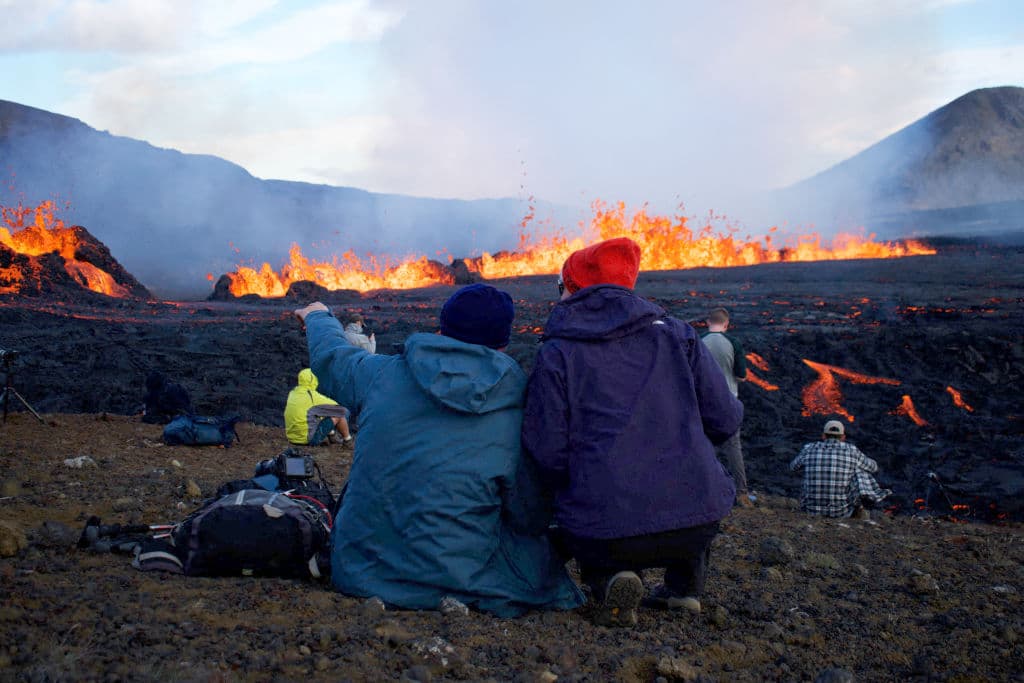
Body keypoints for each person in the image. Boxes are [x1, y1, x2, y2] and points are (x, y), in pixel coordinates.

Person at [293, 284, 584, 617]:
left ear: (441, 329)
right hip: (460, 578)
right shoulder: (518, 404)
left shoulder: (381, 374)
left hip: (360, 571)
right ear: (503, 343)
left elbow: (332, 358)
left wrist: (318, 316)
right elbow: (527, 514)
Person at [521, 237, 743, 627]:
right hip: (695, 519)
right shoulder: (678, 335)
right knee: (694, 488)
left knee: (589, 515)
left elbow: (548, 450)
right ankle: (685, 587)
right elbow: (725, 419)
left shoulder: (558, 351)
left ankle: (610, 580)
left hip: (606, 525)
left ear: (573, 287)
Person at [700, 307, 753, 507]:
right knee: (733, 446)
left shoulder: (698, 341)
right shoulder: (733, 343)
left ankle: (704, 490)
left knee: (702, 445)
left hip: (703, 401)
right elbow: (741, 375)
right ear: (726, 324)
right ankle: (741, 494)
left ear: (707, 322)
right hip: (728, 401)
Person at [789, 420, 892, 518]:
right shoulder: (851, 450)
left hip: (810, 510)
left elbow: (793, 467)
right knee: (859, 470)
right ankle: (865, 503)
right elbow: (873, 468)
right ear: (843, 437)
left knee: (810, 468)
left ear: (823, 436)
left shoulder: (809, 448)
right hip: (842, 512)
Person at [283, 368, 353, 447]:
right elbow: (341, 410)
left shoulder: (293, 393)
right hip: (307, 440)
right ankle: (348, 441)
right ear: (313, 380)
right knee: (339, 414)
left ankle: (332, 436)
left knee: (319, 412)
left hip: (292, 438)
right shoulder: (313, 397)